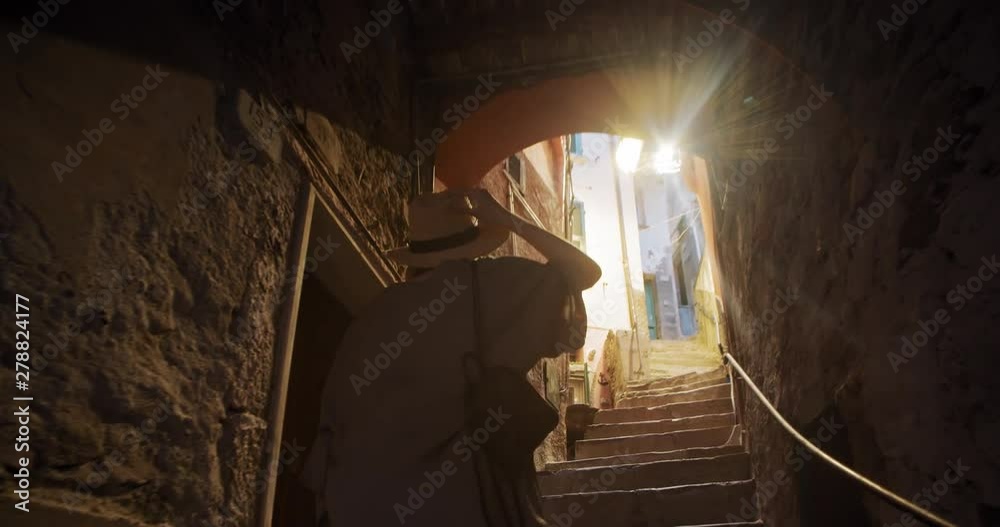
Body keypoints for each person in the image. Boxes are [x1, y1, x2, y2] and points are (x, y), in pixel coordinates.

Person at [302, 188, 601, 526]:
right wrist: (507, 219)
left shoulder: (370, 318)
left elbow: (328, 442)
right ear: (469, 246)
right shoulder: (484, 286)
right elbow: (583, 273)